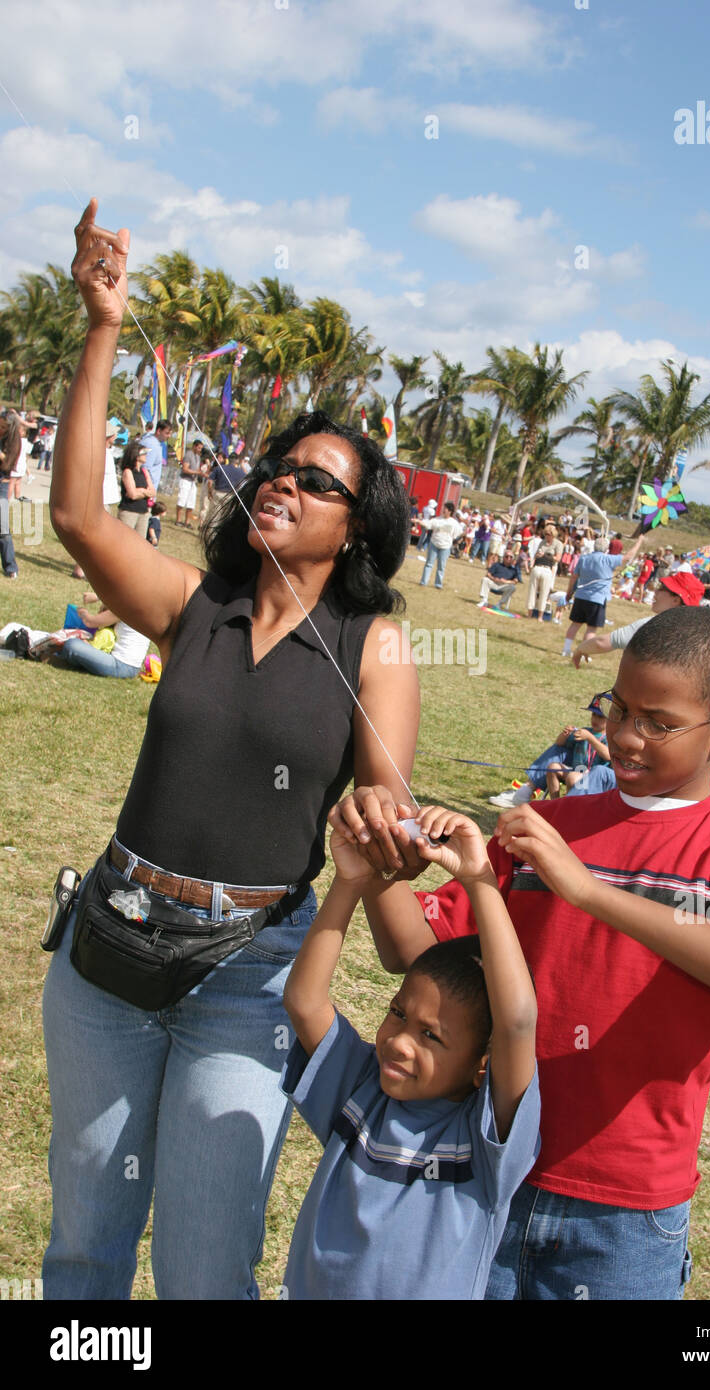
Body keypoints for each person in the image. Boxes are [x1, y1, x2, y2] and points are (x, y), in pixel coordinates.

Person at [41, 198, 419, 1301]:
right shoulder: (193, 605)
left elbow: (386, 801)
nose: (281, 485)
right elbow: (77, 518)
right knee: (84, 1248)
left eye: (315, 482)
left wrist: (399, 845)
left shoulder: (373, 639)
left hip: (247, 976)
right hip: (109, 950)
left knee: (208, 1270)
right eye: (278, 468)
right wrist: (104, 326)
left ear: (359, 523)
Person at [342, 606, 710, 1301]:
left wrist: (588, 891)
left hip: (625, 1210)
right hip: (494, 1169)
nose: (624, 737)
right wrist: (377, 866)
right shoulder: (546, 829)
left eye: (658, 723)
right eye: (617, 709)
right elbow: (410, 954)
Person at [279, 805, 540, 1300]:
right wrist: (348, 883)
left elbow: (516, 1020)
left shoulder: (487, 1146)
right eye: (398, 1014)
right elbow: (304, 1001)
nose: (399, 1041)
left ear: (482, 1066)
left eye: (431, 1036)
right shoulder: (362, 1091)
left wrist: (480, 877)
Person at [489, 701, 610, 808]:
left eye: (600, 716)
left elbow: (609, 756)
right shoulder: (585, 731)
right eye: (593, 714)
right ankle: (555, 805)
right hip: (577, 769)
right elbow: (559, 744)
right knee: (552, 767)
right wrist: (565, 734)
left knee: (573, 777)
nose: (595, 719)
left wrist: (590, 739)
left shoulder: (608, 738)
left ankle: (569, 809)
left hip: (592, 775)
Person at [572, 571, 705, 665]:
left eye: (662, 588)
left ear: (676, 600)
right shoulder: (700, 633)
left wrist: (580, 649)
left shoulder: (653, 626)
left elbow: (602, 643)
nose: (656, 592)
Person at [561, 534, 643, 661]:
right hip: (597, 599)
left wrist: (569, 593)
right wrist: (639, 542)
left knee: (575, 624)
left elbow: (574, 577)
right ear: (607, 549)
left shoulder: (584, 559)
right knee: (591, 629)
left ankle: (566, 649)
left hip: (581, 596)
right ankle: (584, 654)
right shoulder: (608, 560)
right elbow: (628, 557)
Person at [117, 439, 156, 538]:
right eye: (144, 453)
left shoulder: (144, 471)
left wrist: (140, 491)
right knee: (125, 540)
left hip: (143, 512)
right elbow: (132, 495)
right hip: (129, 512)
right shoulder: (128, 472)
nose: (146, 455)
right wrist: (144, 491)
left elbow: (153, 492)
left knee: (140, 542)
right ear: (136, 456)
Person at [419, 501, 462, 590]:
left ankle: (438, 584)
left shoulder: (453, 523)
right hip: (434, 544)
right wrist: (419, 521)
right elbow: (428, 524)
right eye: (443, 508)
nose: (443, 510)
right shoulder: (437, 519)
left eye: (445, 508)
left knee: (441, 566)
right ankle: (424, 582)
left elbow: (459, 532)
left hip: (445, 547)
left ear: (450, 511)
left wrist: (454, 539)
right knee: (429, 564)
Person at [526, 521, 564, 621]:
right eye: (546, 534)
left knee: (546, 591)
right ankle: (530, 613)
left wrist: (546, 556)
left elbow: (558, 558)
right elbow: (536, 554)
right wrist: (532, 563)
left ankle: (541, 615)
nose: (547, 536)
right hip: (538, 566)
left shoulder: (558, 544)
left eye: (549, 534)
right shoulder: (542, 542)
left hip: (551, 568)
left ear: (553, 535)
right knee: (534, 590)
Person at [0, 415, 21, 578]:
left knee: (3, 528)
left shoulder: (15, 442)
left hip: (2, 483)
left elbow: (8, 464)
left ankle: (10, 567)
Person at [176, 439, 205, 527]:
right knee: (182, 500)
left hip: (193, 482)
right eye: (199, 448)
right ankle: (178, 520)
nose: (200, 450)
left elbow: (196, 469)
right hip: (186, 480)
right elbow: (185, 469)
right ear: (194, 446)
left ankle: (187, 522)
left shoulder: (198, 457)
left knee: (191, 502)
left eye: (201, 448)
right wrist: (197, 473)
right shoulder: (188, 454)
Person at [140, 418, 172, 495]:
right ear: (158, 431)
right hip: (146, 489)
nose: (169, 436)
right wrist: (149, 490)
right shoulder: (152, 445)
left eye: (170, 433)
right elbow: (145, 469)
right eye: (167, 433)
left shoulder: (154, 442)